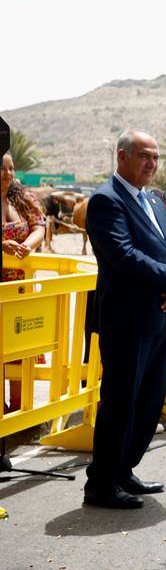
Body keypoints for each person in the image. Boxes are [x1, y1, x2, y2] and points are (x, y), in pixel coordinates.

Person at [83, 130, 166, 509]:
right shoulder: (105, 200)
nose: (152, 164)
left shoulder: (151, 199)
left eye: (156, 157)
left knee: (148, 401)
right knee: (121, 400)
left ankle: (123, 469)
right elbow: (123, 254)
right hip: (128, 320)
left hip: (161, 317)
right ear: (122, 157)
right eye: (144, 156)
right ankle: (100, 483)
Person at [2, 153, 46, 411]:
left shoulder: (24, 199)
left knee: (20, 348)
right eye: (2, 168)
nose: (8, 173)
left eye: (11, 168)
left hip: (21, 288)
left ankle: (19, 410)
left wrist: (27, 246)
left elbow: (39, 226)